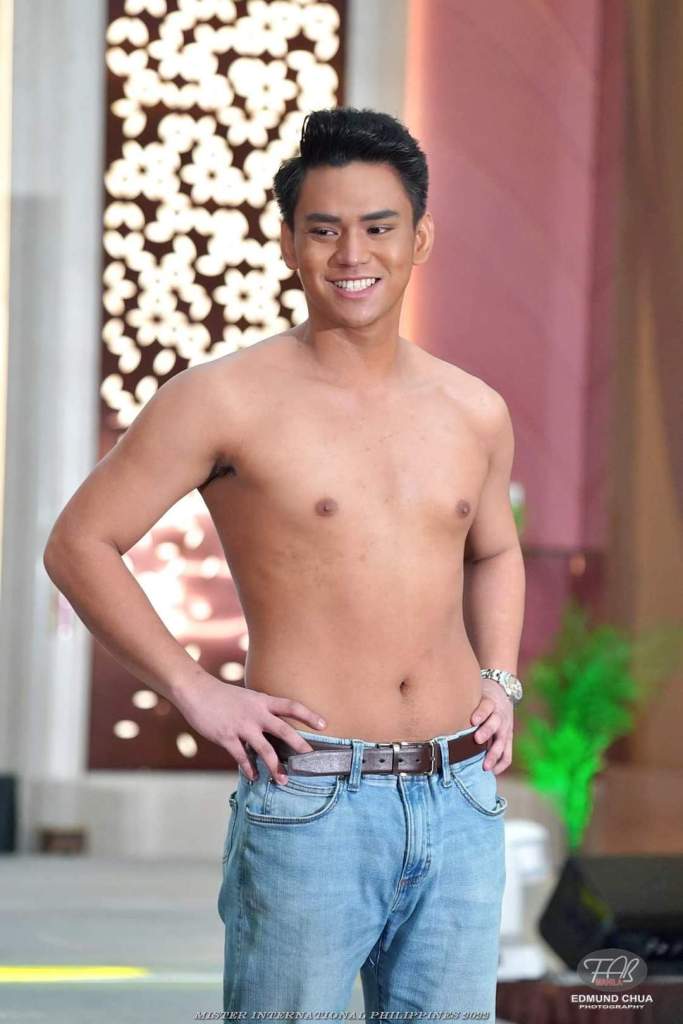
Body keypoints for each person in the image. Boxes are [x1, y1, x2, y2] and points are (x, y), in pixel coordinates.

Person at [43, 107, 526, 1019]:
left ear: (419, 239)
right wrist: (194, 689)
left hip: (460, 795)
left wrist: (499, 680)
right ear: (288, 245)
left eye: (378, 227)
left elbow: (495, 551)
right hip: (312, 799)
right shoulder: (221, 398)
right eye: (325, 229)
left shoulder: (473, 409)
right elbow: (78, 543)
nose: (353, 253)